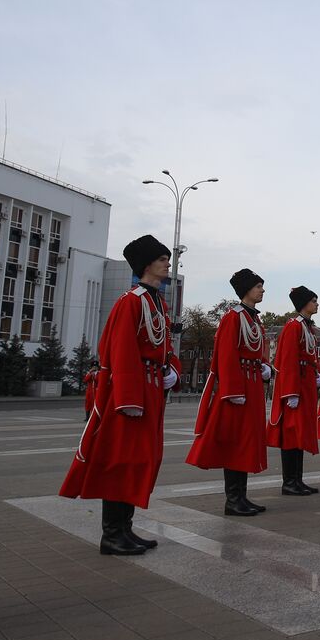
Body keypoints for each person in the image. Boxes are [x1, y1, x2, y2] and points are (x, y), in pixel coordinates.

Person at [60, 235, 182, 555]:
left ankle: (125, 528)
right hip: (134, 392)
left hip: (152, 387)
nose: (167, 263)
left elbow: (162, 345)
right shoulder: (131, 301)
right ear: (146, 265)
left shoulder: (156, 301)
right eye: (161, 259)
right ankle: (112, 534)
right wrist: (129, 398)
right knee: (121, 459)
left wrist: (172, 370)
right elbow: (121, 349)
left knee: (139, 459)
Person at [184, 269, 270, 517]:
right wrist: (232, 390)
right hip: (238, 388)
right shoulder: (233, 317)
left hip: (251, 384)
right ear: (246, 290)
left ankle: (240, 496)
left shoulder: (253, 319)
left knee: (247, 441)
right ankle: (233, 499)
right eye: (258, 286)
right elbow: (226, 353)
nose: (262, 290)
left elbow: (253, 350)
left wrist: (263, 366)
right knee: (236, 441)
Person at [266, 286, 320, 496]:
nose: (317, 304)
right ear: (304, 304)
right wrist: (290, 392)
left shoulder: (307, 327)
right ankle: (289, 482)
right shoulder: (293, 326)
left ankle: (297, 479)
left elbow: (308, 357)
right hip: (295, 387)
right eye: (314, 300)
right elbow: (288, 359)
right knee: (291, 434)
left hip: (305, 385)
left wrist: (317, 375)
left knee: (300, 434)